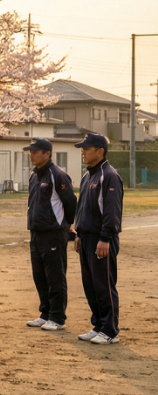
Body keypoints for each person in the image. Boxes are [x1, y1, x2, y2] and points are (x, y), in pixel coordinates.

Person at [72, 133, 123, 345]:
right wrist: (78, 233)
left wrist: (105, 238)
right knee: (90, 284)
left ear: (100, 151)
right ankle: (98, 325)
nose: (83, 152)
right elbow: (82, 207)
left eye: (87, 148)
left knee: (103, 284)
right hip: (86, 238)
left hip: (102, 240)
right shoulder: (87, 177)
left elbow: (112, 211)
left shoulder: (108, 175)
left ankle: (110, 330)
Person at [24, 138, 76, 333]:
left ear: (47, 154)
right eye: (30, 151)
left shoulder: (58, 175)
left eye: (35, 151)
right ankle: (45, 313)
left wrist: (66, 225)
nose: (31, 155)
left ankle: (57, 317)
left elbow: (71, 202)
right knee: (40, 275)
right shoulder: (34, 176)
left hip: (53, 233)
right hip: (36, 233)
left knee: (55, 276)